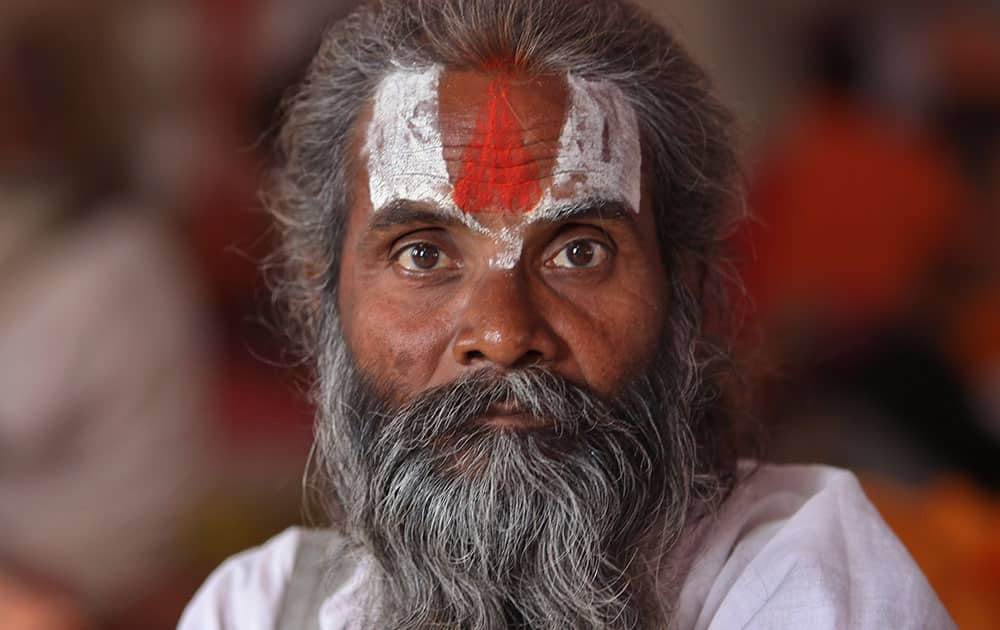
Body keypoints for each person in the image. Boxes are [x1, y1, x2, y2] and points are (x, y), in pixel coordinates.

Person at [180, 0, 954, 628]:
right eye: (422, 254)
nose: (505, 333)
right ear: (323, 299)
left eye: (578, 252)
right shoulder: (259, 606)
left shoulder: (800, 578)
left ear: (684, 291)